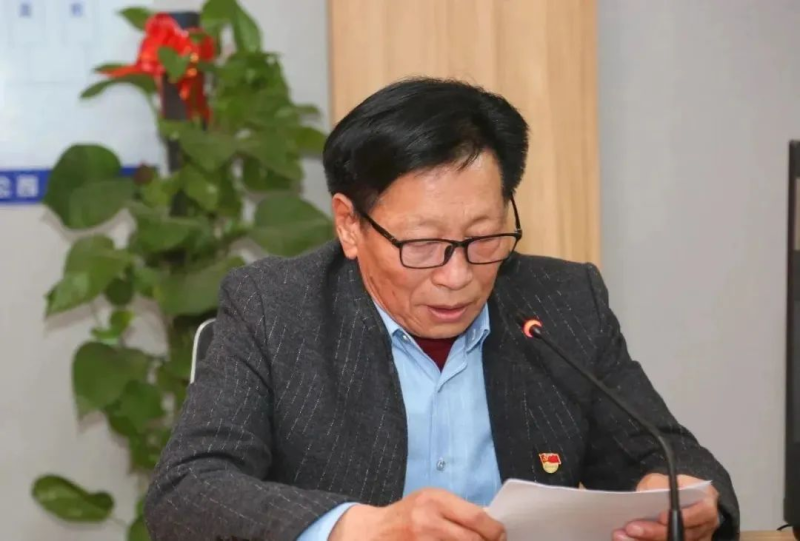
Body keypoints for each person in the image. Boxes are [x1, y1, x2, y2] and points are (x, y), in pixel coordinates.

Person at [144, 78, 739, 541]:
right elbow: (187, 490)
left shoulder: (563, 302)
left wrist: (684, 499)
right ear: (349, 225)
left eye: (483, 237)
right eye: (422, 245)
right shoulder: (276, 309)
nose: (457, 277)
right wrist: (361, 527)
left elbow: (672, 456)